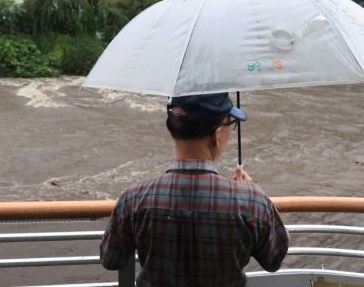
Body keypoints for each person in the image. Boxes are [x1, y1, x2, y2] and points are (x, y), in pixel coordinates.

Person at [100, 92, 289, 287]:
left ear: (173, 129)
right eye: (230, 124)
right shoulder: (252, 201)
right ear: (216, 136)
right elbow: (274, 259)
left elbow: (111, 260)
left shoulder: (134, 198)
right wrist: (251, 194)